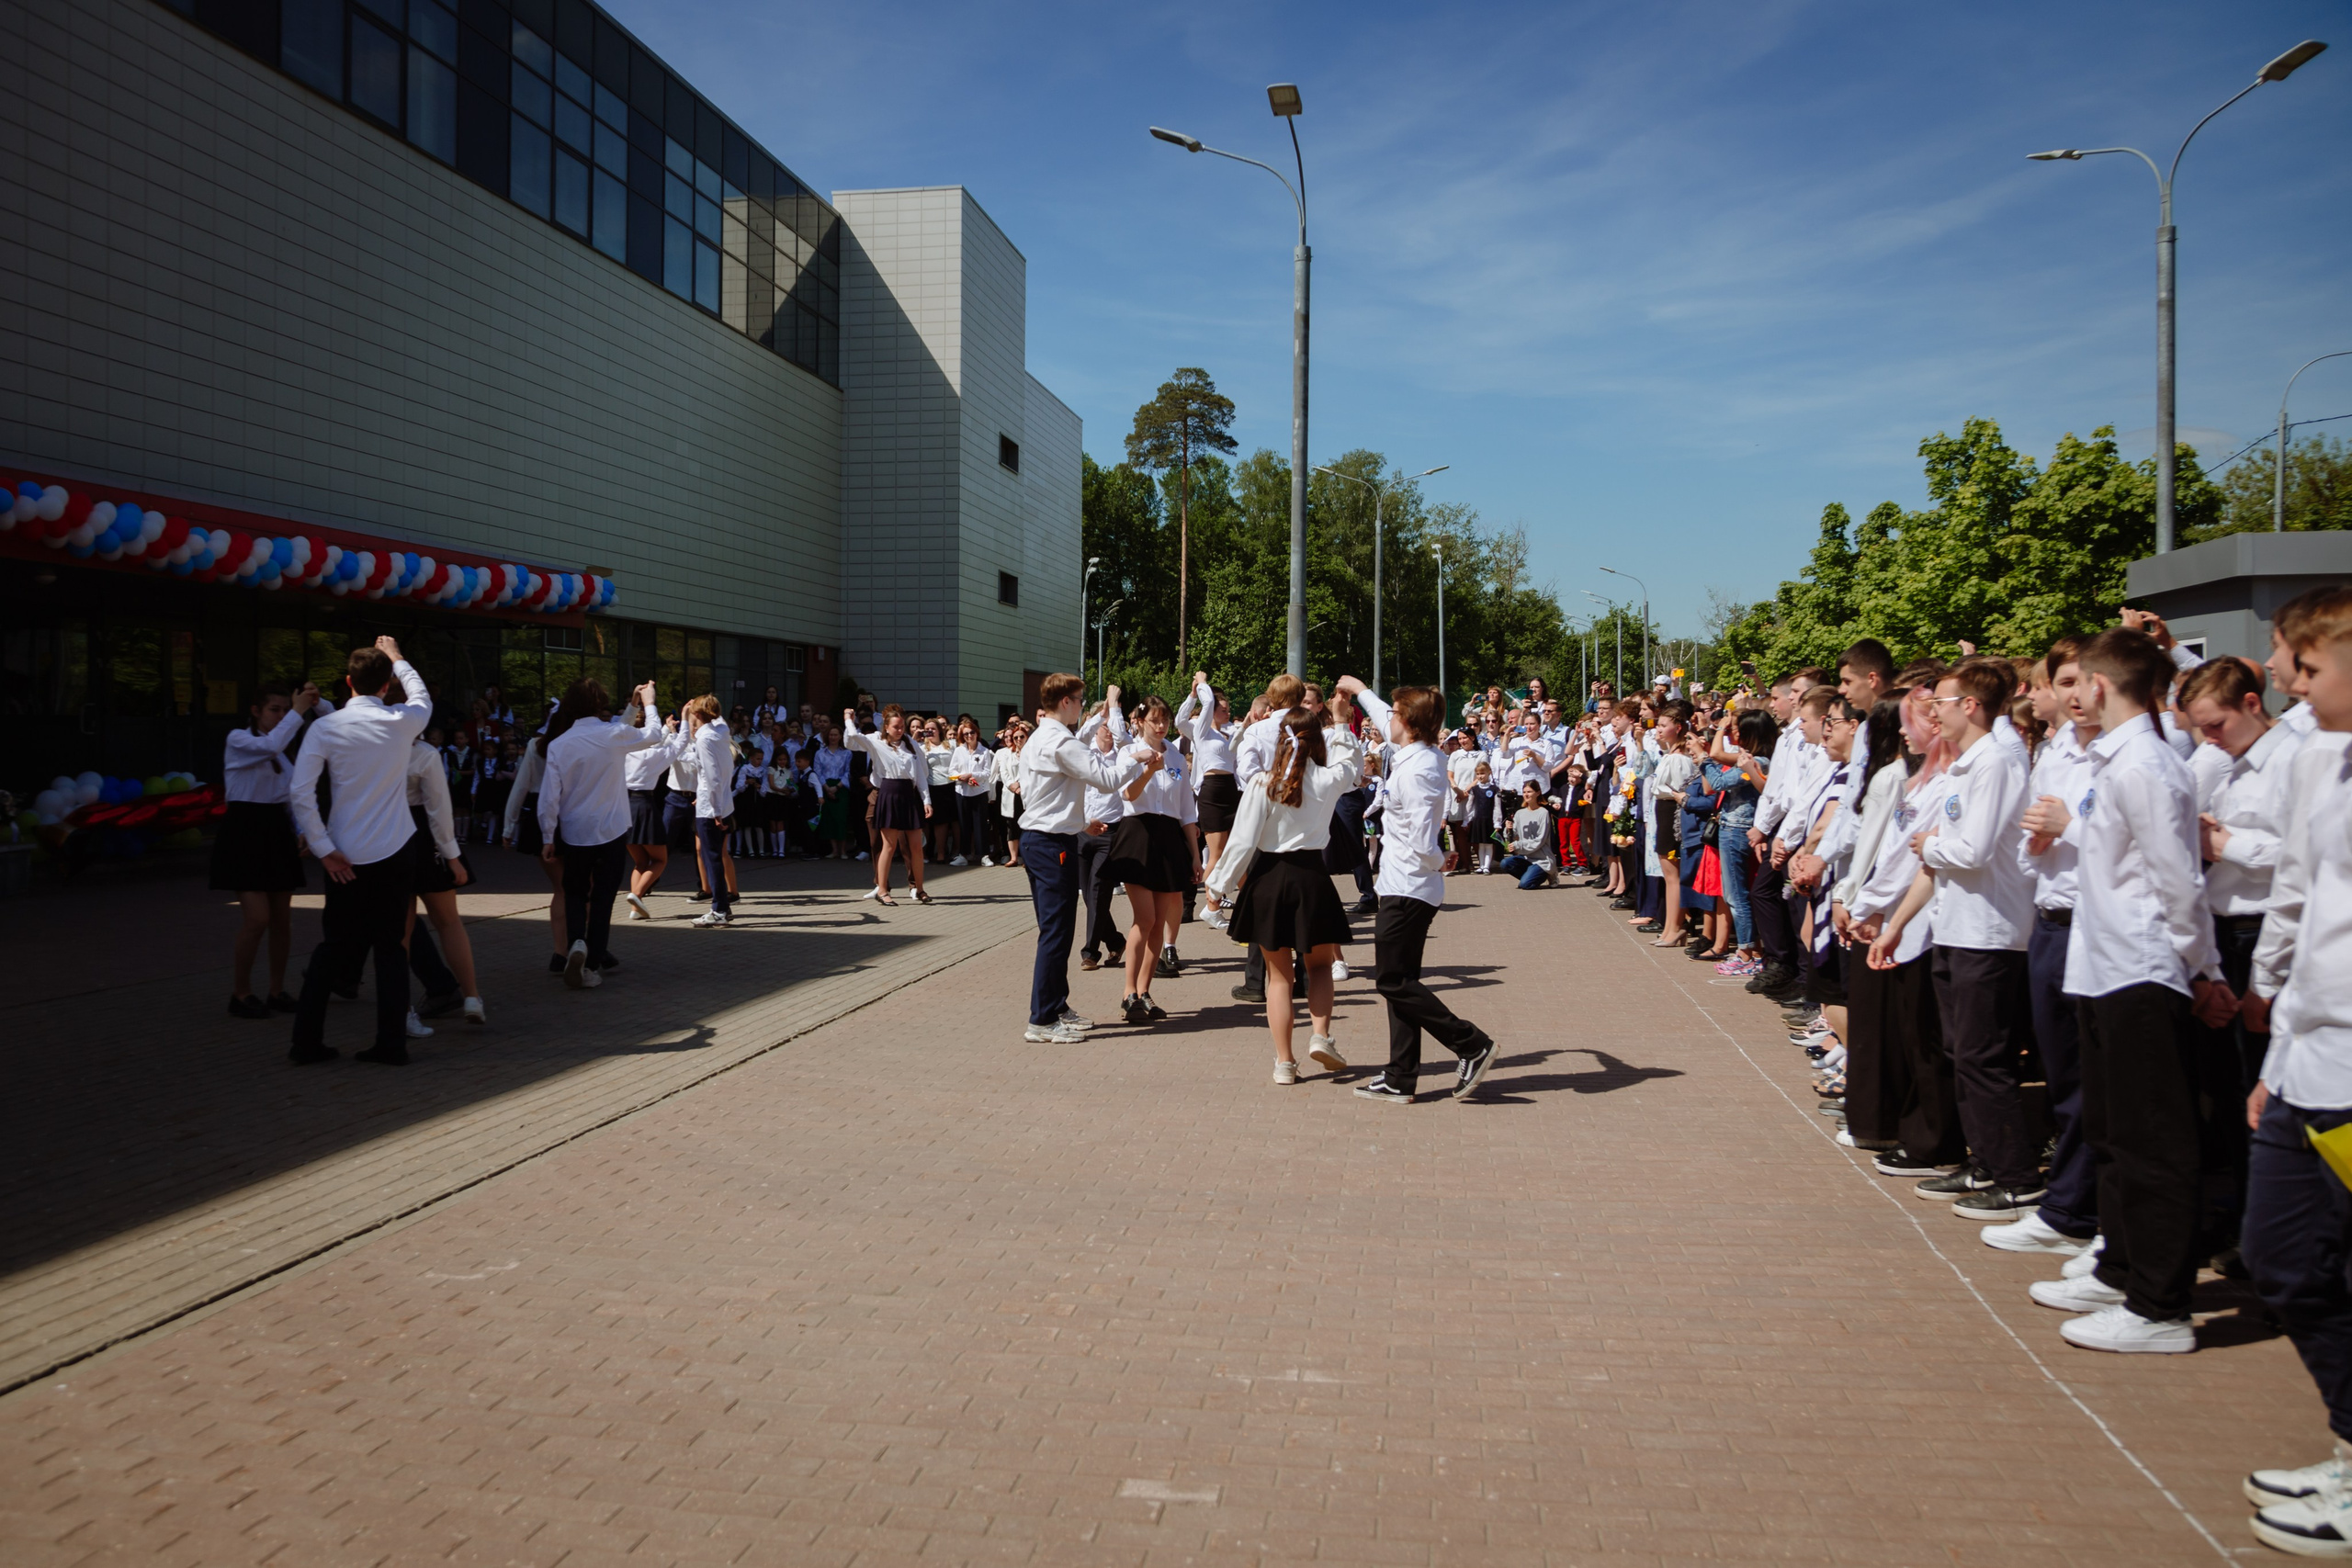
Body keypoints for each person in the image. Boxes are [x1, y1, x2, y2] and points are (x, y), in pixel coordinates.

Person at [2033, 627, 2236, 1354]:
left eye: (2078, 680)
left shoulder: (2146, 764)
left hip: (2143, 969)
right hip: (2103, 963)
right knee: (2115, 1128)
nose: (2070, 692)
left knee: (2154, 1138)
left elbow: (2177, 879)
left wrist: (2202, 969)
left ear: (2099, 684)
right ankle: (2121, 1263)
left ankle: (2160, 1302)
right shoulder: (2111, 761)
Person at [2239, 587, 2352, 1553]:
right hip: (2308, 1053)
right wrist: (2275, 1036)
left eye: (2306, 667)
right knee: (2281, 1252)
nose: (2283, 678)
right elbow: (2299, 895)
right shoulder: (2325, 758)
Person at [1336, 677, 1498, 1104]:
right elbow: (1380, 714)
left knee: (1392, 981)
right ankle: (1399, 1076)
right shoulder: (1409, 753)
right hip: (1401, 882)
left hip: (1410, 886)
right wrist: (1358, 689)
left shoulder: (1423, 768)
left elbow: (1427, 836)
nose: (1386, 718)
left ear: (1406, 721)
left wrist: (1435, 860)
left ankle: (1470, 1043)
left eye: (1394, 713)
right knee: (1401, 982)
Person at [286, 637, 433, 1066]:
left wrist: (324, 848)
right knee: (390, 947)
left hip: (344, 855)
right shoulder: (403, 722)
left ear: (348, 682)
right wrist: (400, 658)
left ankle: (305, 1043)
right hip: (394, 849)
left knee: (334, 947)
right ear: (387, 685)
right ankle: (391, 1044)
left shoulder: (325, 728)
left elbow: (300, 792)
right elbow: (421, 695)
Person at [1203, 703, 1359, 1081]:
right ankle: (1320, 1035)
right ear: (1316, 741)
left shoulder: (1262, 782)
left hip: (1268, 879)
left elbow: (1241, 842)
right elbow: (1351, 764)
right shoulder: (1327, 778)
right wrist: (1340, 722)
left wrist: (1217, 887)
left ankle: (1284, 1063)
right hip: (1311, 878)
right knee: (1319, 966)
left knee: (1278, 978)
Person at [1017, 673, 1157, 1043]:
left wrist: (1081, 822)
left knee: (1057, 931)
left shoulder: (1040, 736)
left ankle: (1056, 1006)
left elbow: (1047, 794)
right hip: (1050, 844)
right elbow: (1107, 779)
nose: (1081, 705)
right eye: (1079, 699)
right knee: (1056, 933)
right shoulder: (1059, 740)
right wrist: (1136, 756)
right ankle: (1042, 1020)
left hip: (1045, 838)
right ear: (1065, 701)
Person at [537, 681, 662, 986]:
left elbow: (549, 797)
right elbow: (655, 735)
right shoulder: (612, 734)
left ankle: (577, 941)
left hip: (575, 830)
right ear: (600, 704)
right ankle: (591, 965)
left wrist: (547, 836)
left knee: (576, 893)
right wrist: (648, 702)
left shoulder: (560, 744)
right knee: (603, 897)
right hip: (611, 828)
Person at [216, 679, 325, 1017]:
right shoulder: (239, 740)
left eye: (283, 710)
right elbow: (271, 746)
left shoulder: (283, 753)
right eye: (274, 710)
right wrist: (297, 711)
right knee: (257, 919)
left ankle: (276, 990)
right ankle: (241, 992)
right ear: (255, 711)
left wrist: (305, 829)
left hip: (275, 832)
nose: (280, 716)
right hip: (245, 831)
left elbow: (292, 796)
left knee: (281, 920)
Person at [1102, 694, 1199, 1025]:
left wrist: (1196, 857)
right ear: (1140, 722)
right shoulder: (1131, 751)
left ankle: (1144, 991)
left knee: (1160, 920)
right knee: (1144, 919)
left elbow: (1187, 810)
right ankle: (1129, 992)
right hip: (1138, 834)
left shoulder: (1175, 753)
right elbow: (1127, 794)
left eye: (1165, 720)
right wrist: (1146, 771)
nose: (1160, 726)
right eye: (1154, 720)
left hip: (1170, 838)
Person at [401, 731, 482, 1029]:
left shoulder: (371, 747)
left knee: (403, 929)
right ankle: (472, 997)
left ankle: (403, 1009)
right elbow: (438, 807)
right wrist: (452, 855)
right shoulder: (423, 752)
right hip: (425, 835)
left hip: (390, 833)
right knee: (449, 920)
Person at [843, 703, 933, 905]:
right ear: (886, 726)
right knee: (889, 846)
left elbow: (920, 774)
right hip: (889, 793)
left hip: (909, 795)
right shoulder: (875, 740)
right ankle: (882, 890)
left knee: (917, 847)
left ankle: (919, 889)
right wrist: (849, 720)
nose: (900, 731)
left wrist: (926, 800)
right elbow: (852, 741)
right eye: (896, 727)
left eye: (902, 726)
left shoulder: (910, 743)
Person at [623, 710, 684, 919]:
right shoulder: (653, 755)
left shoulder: (624, 751)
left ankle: (635, 909)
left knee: (640, 862)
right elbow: (675, 747)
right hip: (644, 805)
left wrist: (666, 728)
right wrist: (681, 724)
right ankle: (636, 895)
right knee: (660, 860)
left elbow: (656, 744)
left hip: (624, 807)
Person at [685, 695, 738, 927]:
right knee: (715, 856)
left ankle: (719, 910)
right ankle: (722, 909)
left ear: (698, 715)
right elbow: (720, 719)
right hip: (722, 802)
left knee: (712, 858)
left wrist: (715, 810)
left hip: (712, 808)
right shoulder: (722, 730)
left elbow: (712, 776)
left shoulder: (704, 739)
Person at [949, 717, 993, 866]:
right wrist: (962, 777)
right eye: (966, 734)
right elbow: (952, 771)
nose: (969, 736)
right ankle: (963, 854)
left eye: (972, 732)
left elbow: (987, 773)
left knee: (980, 824)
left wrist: (972, 776)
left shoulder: (984, 751)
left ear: (977, 733)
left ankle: (984, 855)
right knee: (964, 824)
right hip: (962, 791)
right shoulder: (959, 750)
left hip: (979, 792)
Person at [1498, 781, 1559, 889]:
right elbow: (1512, 837)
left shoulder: (1543, 813)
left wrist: (1519, 845)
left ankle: (1549, 873)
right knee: (1505, 863)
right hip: (1525, 857)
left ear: (1538, 793)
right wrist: (1508, 829)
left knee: (1525, 885)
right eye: (1524, 792)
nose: (1526, 794)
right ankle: (1529, 876)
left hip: (1541, 860)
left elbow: (1540, 840)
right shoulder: (1519, 813)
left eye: (1529, 792)